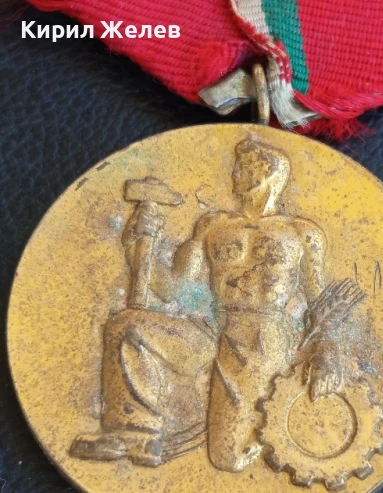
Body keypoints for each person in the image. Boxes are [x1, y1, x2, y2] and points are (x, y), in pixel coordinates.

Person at [71, 136, 342, 471]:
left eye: (242, 168)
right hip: (210, 329)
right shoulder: (212, 226)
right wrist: (134, 243)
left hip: (263, 337)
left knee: (228, 458)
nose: (234, 175)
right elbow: (174, 287)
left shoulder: (302, 234)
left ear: (266, 174)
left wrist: (328, 352)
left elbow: (321, 301)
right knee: (127, 326)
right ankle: (134, 433)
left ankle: (267, 429)